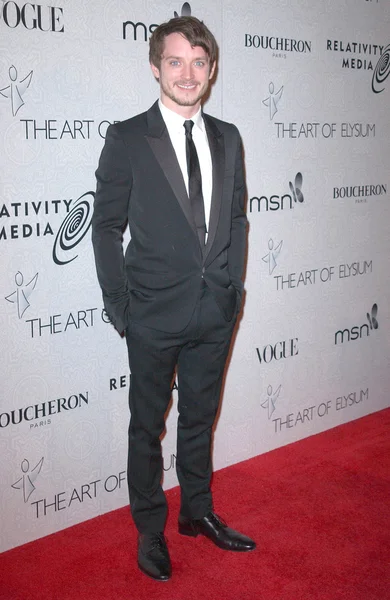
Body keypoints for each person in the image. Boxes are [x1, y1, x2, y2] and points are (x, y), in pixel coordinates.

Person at [92, 15, 255, 581]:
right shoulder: (129, 136)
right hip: (152, 315)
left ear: (211, 70)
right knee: (146, 427)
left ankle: (198, 513)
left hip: (214, 310)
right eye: (176, 61)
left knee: (199, 419)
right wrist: (122, 308)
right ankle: (150, 530)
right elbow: (106, 227)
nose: (188, 74)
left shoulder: (228, 137)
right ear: (156, 66)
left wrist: (231, 289)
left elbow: (235, 218)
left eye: (199, 62)